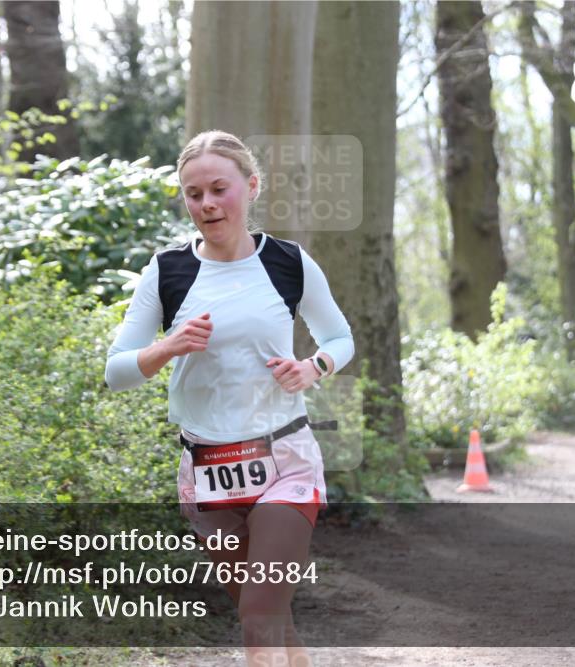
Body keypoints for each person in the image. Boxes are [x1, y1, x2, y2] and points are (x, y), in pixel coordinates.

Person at [105, 130, 354, 666]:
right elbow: (116, 371)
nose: (207, 204)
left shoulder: (288, 262)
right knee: (267, 617)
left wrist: (314, 366)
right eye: (194, 194)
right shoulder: (168, 271)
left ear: (252, 186)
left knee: (260, 614)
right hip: (208, 468)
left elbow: (340, 338)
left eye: (220, 189)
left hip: (285, 457)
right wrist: (166, 347)